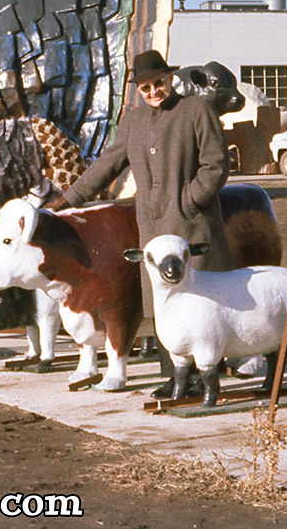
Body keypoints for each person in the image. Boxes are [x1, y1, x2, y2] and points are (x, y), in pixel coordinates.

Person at [48, 49, 232, 395]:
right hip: (152, 228)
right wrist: (69, 199)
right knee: (164, 303)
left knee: (198, 298)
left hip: (190, 223)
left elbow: (216, 165)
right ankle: (175, 377)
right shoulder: (133, 120)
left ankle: (204, 375)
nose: (153, 92)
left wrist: (189, 199)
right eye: (145, 88)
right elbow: (107, 164)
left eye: (158, 84)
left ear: (170, 79)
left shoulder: (196, 110)